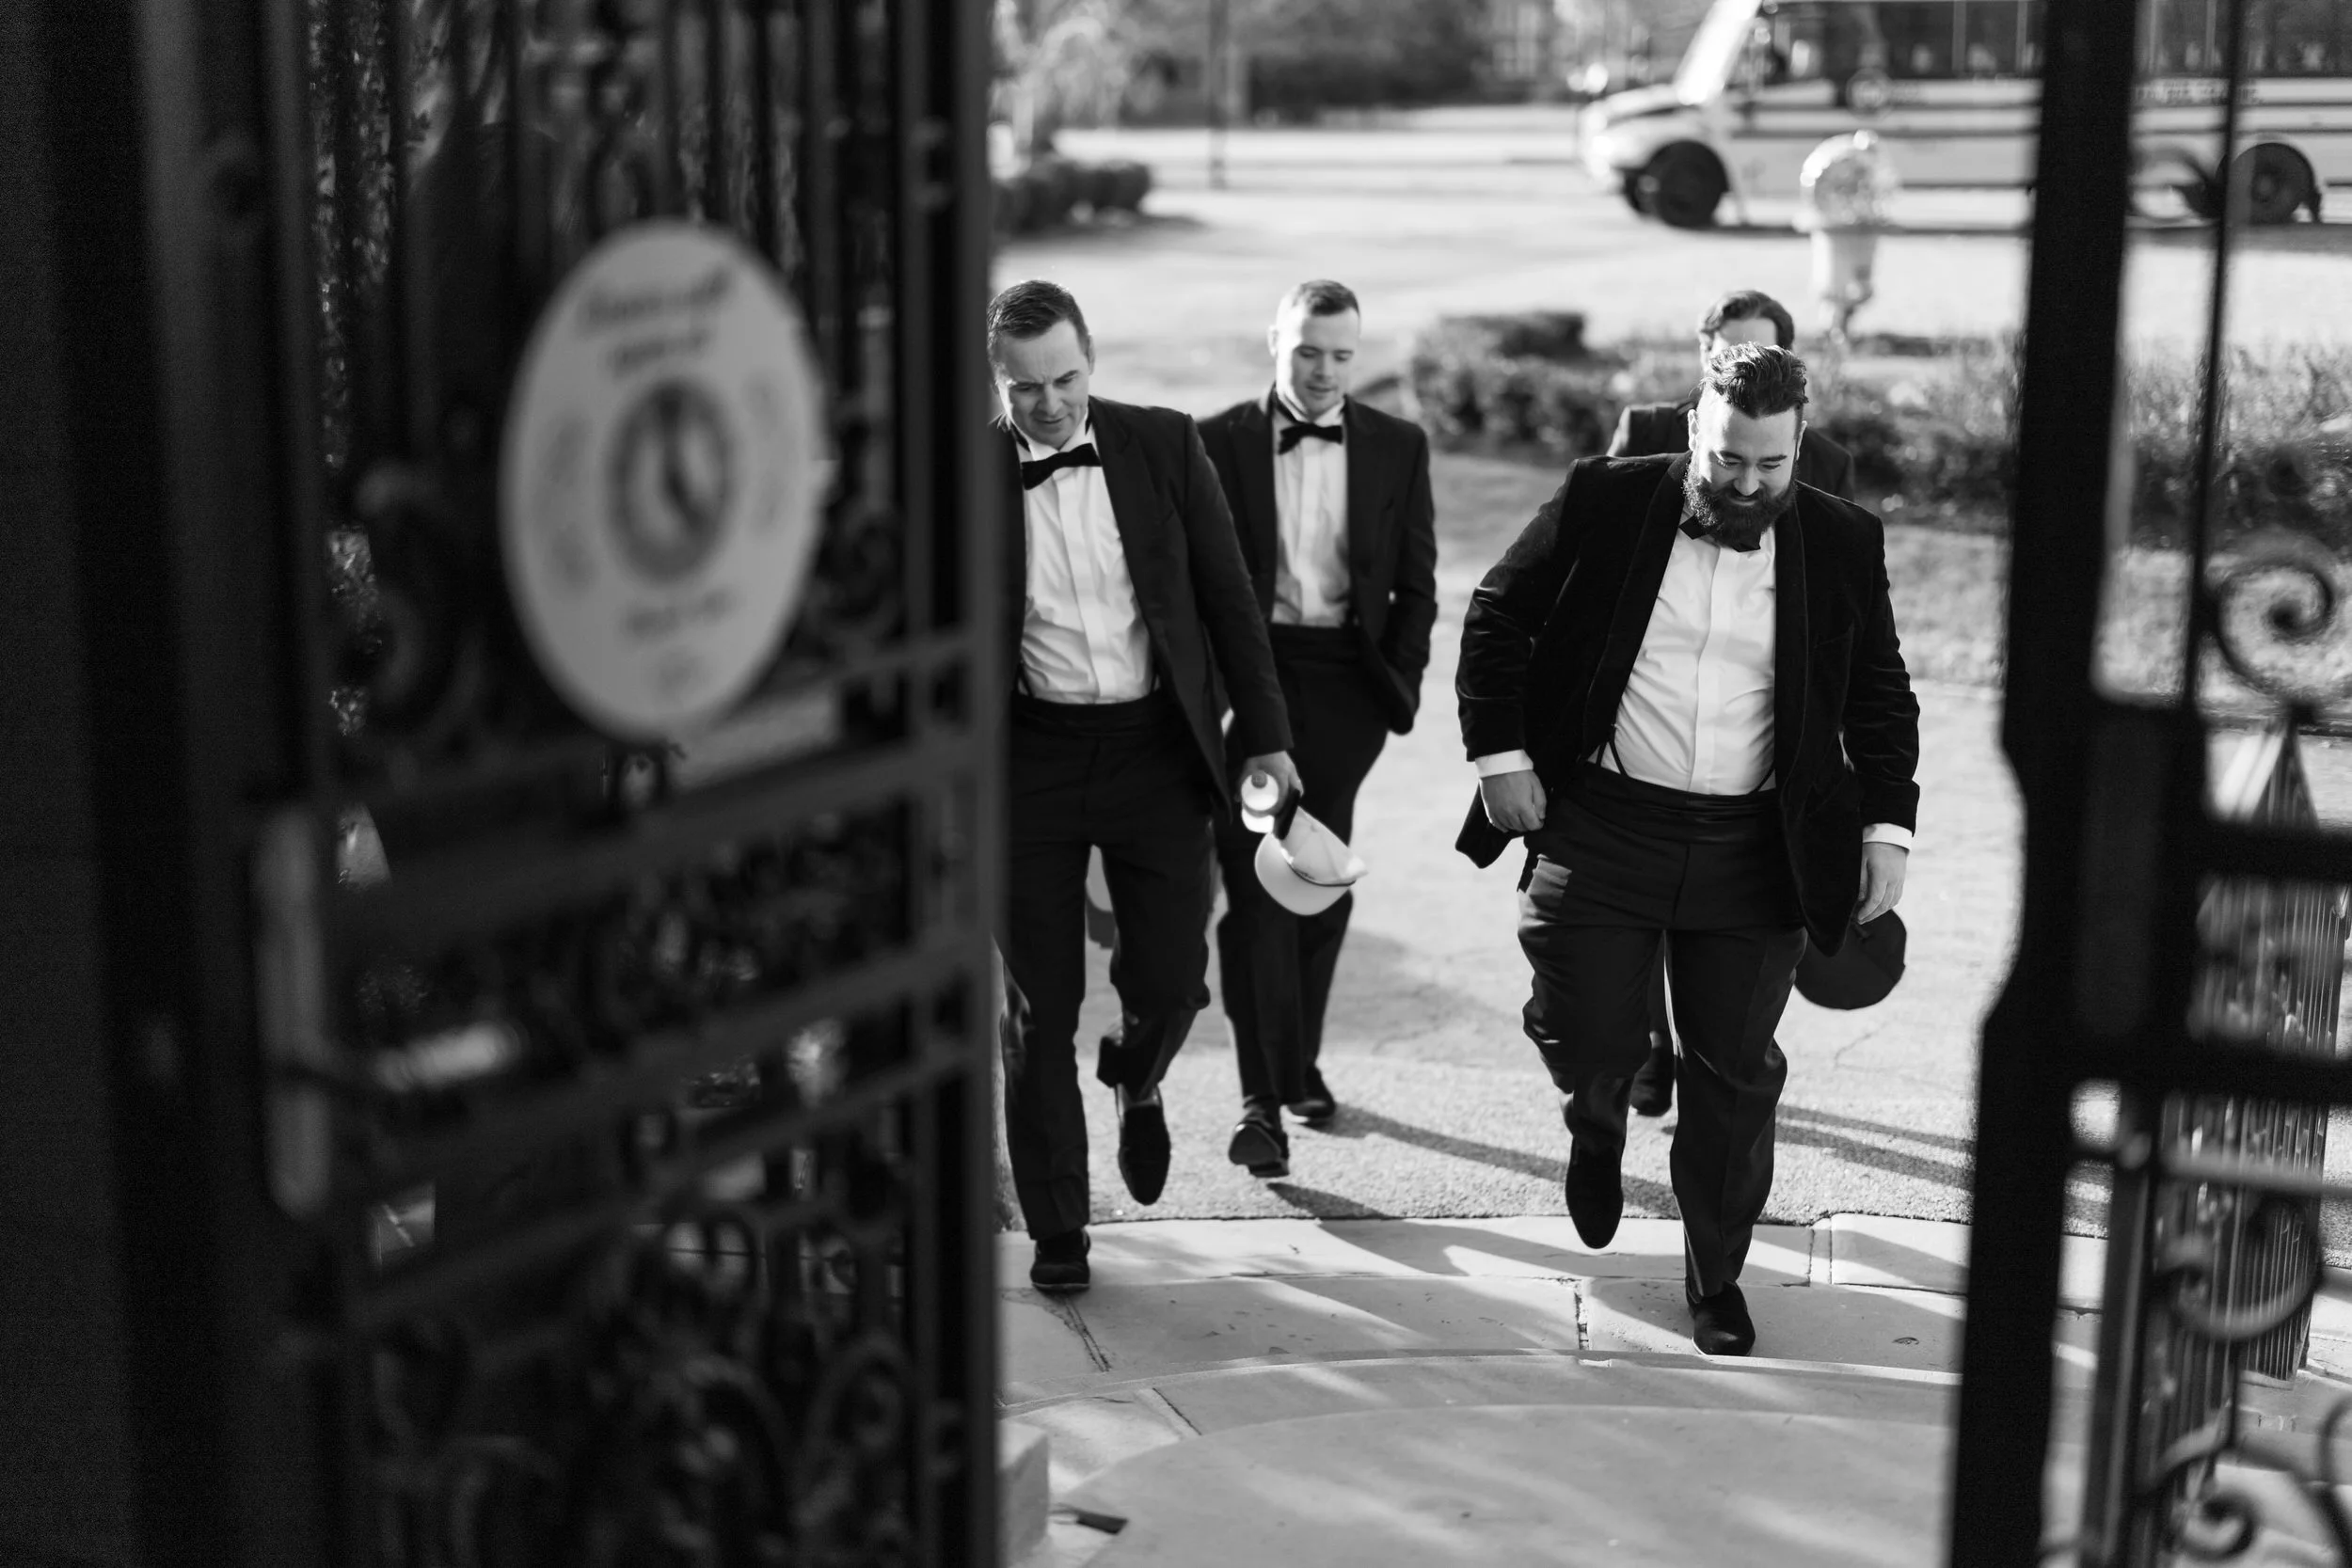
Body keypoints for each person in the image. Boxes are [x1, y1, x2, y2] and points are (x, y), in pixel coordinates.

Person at [1456, 342, 1918, 1356]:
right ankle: (1595, 1113)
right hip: (1604, 822)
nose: (1746, 485)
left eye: (1770, 465)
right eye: (1727, 459)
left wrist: (1887, 831)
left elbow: (1880, 692)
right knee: (1583, 1026)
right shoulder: (1607, 498)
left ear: (1800, 443)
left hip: (1755, 846)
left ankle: (1716, 1274)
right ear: (1694, 427)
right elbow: (1496, 614)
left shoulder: (1842, 538)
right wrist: (1500, 757)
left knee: (1735, 1073)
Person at [990, 280, 1298, 1293]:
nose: (1048, 404)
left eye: (1064, 378)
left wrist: (1266, 738)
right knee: (1039, 1009)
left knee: (1169, 978)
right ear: (998, 383)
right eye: (1024, 387)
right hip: (1026, 757)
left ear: (1092, 359)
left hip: (1155, 748)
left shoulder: (1163, 443)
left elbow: (1229, 598)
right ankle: (1058, 1226)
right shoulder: (964, 473)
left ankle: (1136, 1074)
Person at [1196, 280, 1438, 1177]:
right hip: (1247, 682)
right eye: (1307, 351)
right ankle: (1261, 1103)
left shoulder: (1398, 445)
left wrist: (1393, 688)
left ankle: (1297, 1059)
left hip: (1344, 688)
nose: (1325, 370)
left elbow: (1417, 584)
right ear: (1275, 341)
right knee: (1257, 881)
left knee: (1319, 880)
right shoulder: (1214, 440)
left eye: (1341, 354)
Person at [1605, 288, 1860, 1118]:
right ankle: (1649, 1043)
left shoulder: (1827, 467)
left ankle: (1707, 1058)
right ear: (1705, 350)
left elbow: (1848, 624)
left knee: (1730, 958)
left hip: (1754, 751)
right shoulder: (1646, 432)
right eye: (1727, 349)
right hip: (1642, 743)